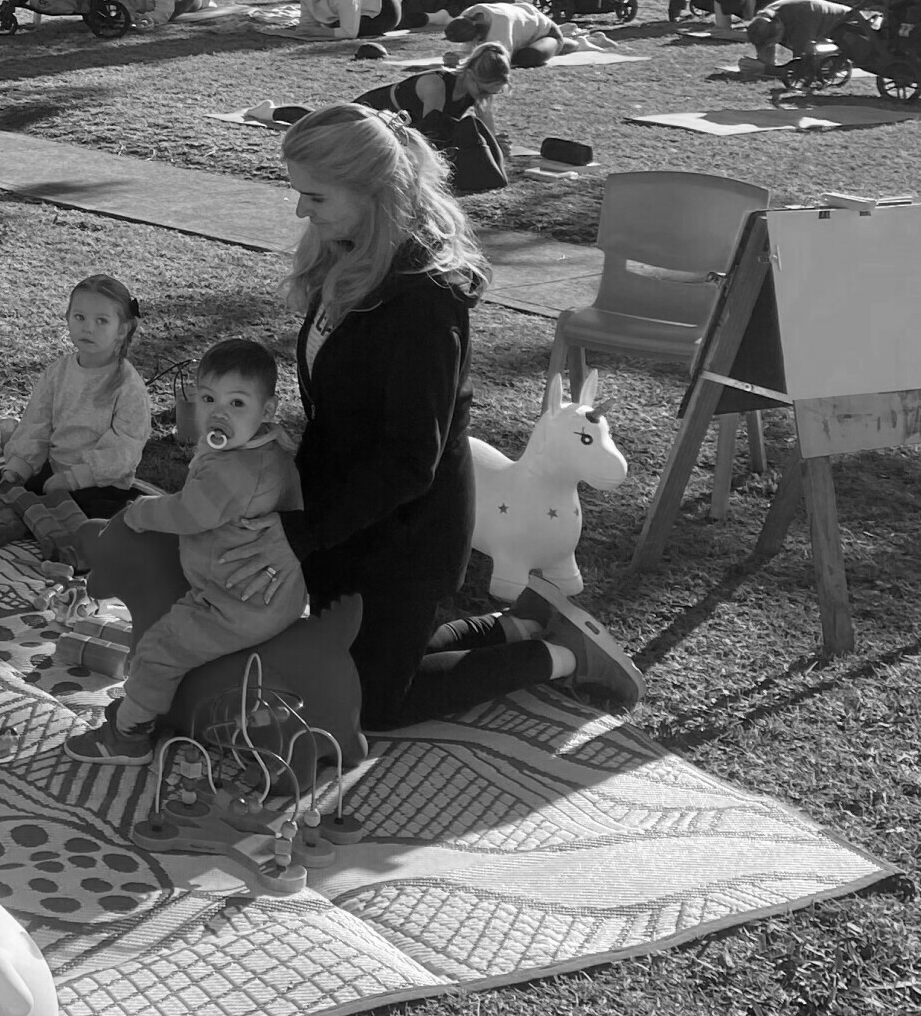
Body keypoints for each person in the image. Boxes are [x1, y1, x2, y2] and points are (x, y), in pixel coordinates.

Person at [113, 105, 636, 726]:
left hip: (404, 534)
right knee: (344, 662)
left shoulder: (424, 303)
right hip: (345, 516)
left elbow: (410, 458)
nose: (300, 211)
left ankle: (559, 655)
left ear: (373, 196)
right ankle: (515, 624)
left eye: (314, 196)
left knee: (371, 706)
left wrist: (301, 534)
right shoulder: (352, 251)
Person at [63, 339, 306, 762]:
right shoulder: (258, 447)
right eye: (208, 398)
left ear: (266, 411)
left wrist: (141, 512)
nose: (219, 412)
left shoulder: (238, 471)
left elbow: (191, 513)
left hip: (234, 601)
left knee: (158, 650)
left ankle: (128, 736)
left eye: (236, 403)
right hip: (258, 588)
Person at [0, 273, 153, 519]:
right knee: (3, 495)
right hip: (55, 469)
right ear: (68, 318)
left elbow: (124, 449)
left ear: (122, 329)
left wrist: (75, 478)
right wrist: (19, 468)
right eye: (80, 317)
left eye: (101, 321)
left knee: (82, 521)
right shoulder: (58, 372)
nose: (88, 328)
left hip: (100, 482)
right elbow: (36, 423)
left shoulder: (127, 385)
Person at [357, 43, 513, 196]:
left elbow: (486, 133)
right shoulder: (436, 85)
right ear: (470, 75)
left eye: (493, 93)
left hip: (395, 129)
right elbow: (431, 135)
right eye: (484, 91)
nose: (485, 97)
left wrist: (495, 145)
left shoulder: (475, 91)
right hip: (365, 118)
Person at [747, 0, 862, 76]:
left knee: (823, 66)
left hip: (854, 27)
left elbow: (803, 66)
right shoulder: (765, 20)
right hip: (827, 28)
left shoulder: (801, 21)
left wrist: (767, 69)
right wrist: (759, 64)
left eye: (773, 42)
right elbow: (765, 54)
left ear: (780, 29)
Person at [443, 0, 582, 66]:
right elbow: (470, 51)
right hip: (524, 33)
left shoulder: (500, 24)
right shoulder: (470, 14)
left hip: (547, 33)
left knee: (526, 57)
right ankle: (567, 39)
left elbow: (499, 59)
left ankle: (575, 43)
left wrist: (464, 62)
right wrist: (457, 56)